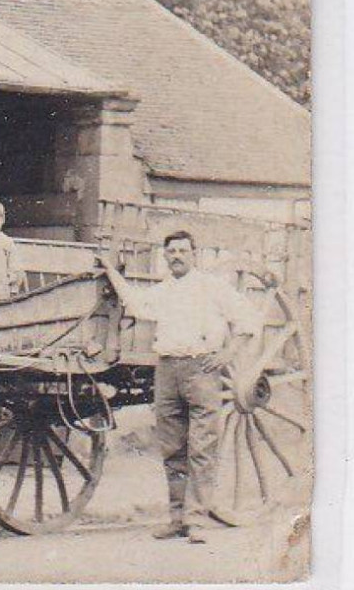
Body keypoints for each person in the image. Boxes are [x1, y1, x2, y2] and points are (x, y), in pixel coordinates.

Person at [101, 230, 259, 544]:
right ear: (165, 256)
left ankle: (197, 521)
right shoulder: (163, 291)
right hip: (167, 370)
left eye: (182, 251)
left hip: (201, 369)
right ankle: (177, 518)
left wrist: (226, 355)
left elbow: (248, 319)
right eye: (171, 252)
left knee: (201, 447)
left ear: (193, 254)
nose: (176, 257)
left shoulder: (213, 288)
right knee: (172, 448)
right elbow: (136, 304)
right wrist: (110, 271)